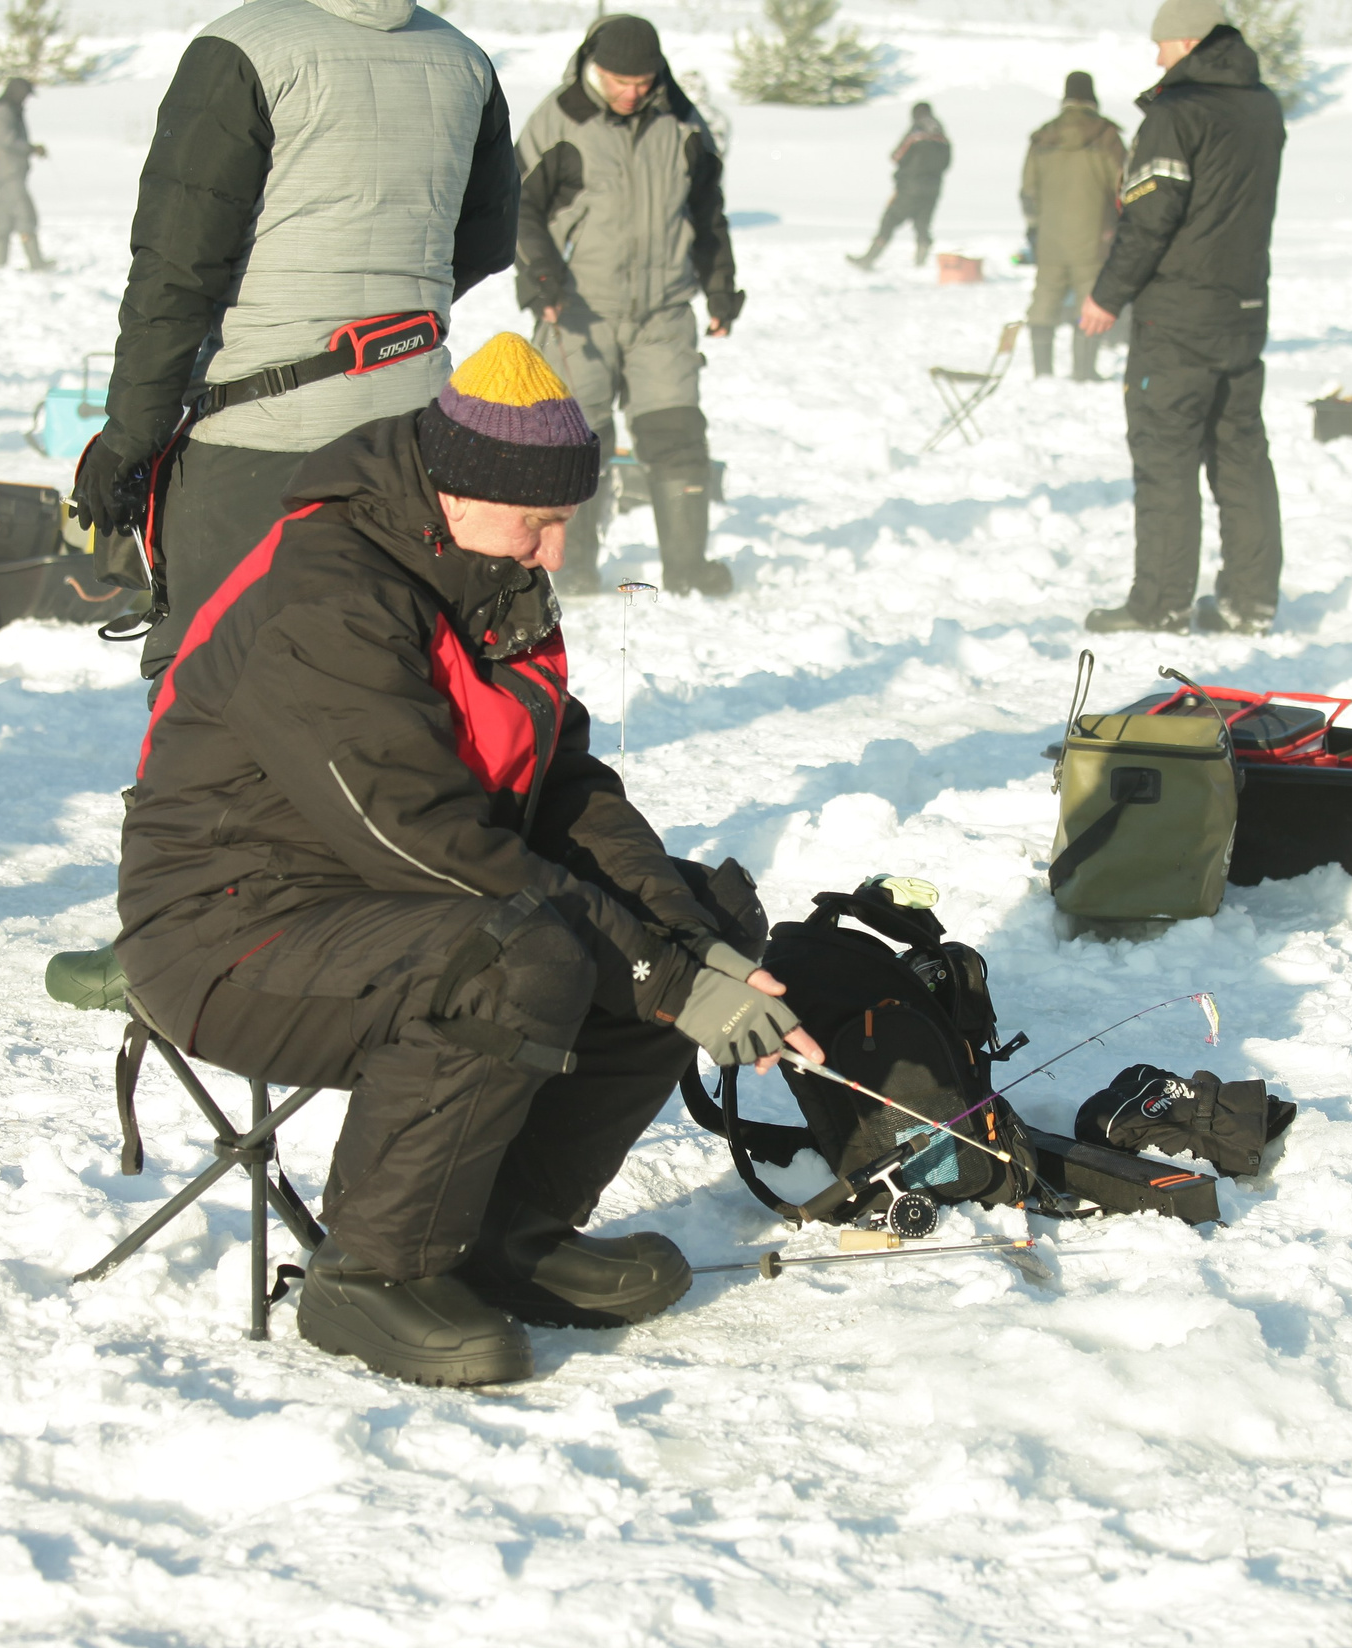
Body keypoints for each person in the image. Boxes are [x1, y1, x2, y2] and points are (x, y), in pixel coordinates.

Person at [118, 333, 819, 1387]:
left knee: (700, 914)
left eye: (562, 527)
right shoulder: (328, 598)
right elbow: (424, 838)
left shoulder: (482, 570)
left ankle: (509, 1232)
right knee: (520, 954)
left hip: (392, 904)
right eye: (539, 524)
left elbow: (563, 790)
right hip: (232, 930)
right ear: (459, 489)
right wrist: (656, 972)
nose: (551, 554)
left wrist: (687, 946)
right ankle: (372, 1277)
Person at [72, 0, 516, 685]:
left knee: (214, 691)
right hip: (415, 438)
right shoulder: (464, 59)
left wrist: (130, 439)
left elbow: (177, 271)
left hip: (260, 443)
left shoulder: (244, 48)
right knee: (392, 677)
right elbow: (487, 240)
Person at [516, 14, 743, 599]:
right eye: (619, 79)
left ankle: (688, 571)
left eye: (642, 81)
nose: (631, 92)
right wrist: (541, 277)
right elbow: (519, 206)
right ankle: (575, 572)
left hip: (663, 313)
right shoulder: (559, 120)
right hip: (577, 311)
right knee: (573, 442)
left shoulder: (683, 125)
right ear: (594, 66)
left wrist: (720, 287)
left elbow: (708, 215)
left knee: (677, 433)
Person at [1079, 0, 1285, 637]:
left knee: (1165, 458)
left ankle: (1160, 603)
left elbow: (1150, 218)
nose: (1156, 55)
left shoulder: (1176, 114)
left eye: (1163, 44)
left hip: (1177, 317)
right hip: (1244, 309)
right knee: (1241, 457)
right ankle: (1250, 602)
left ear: (1190, 41)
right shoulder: (1261, 106)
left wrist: (1107, 295)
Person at [1020, 71, 1124, 381]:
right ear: (1093, 98)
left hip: (1050, 236)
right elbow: (1124, 187)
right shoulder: (1106, 136)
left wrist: (1035, 228)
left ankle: (1043, 371)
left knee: (1045, 296)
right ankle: (1083, 370)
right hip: (1095, 234)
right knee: (1089, 297)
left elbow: (1028, 190)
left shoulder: (1043, 136)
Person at [849, 101, 949, 271]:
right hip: (933, 188)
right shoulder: (941, 135)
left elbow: (896, 156)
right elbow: (947, 162)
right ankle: (920, 265)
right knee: (922, 225)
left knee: (889, 220)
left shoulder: (916, 132)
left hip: (909, 187)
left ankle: (868, 259)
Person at [0, 75, 50, 273]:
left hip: (9, 174)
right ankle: (35, 263)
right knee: (25, 215)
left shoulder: (7, 109)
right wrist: (31, 149)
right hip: (8, 174)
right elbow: (7, 140)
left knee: (4, 219)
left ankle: (0, 266)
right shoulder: (3, 111)